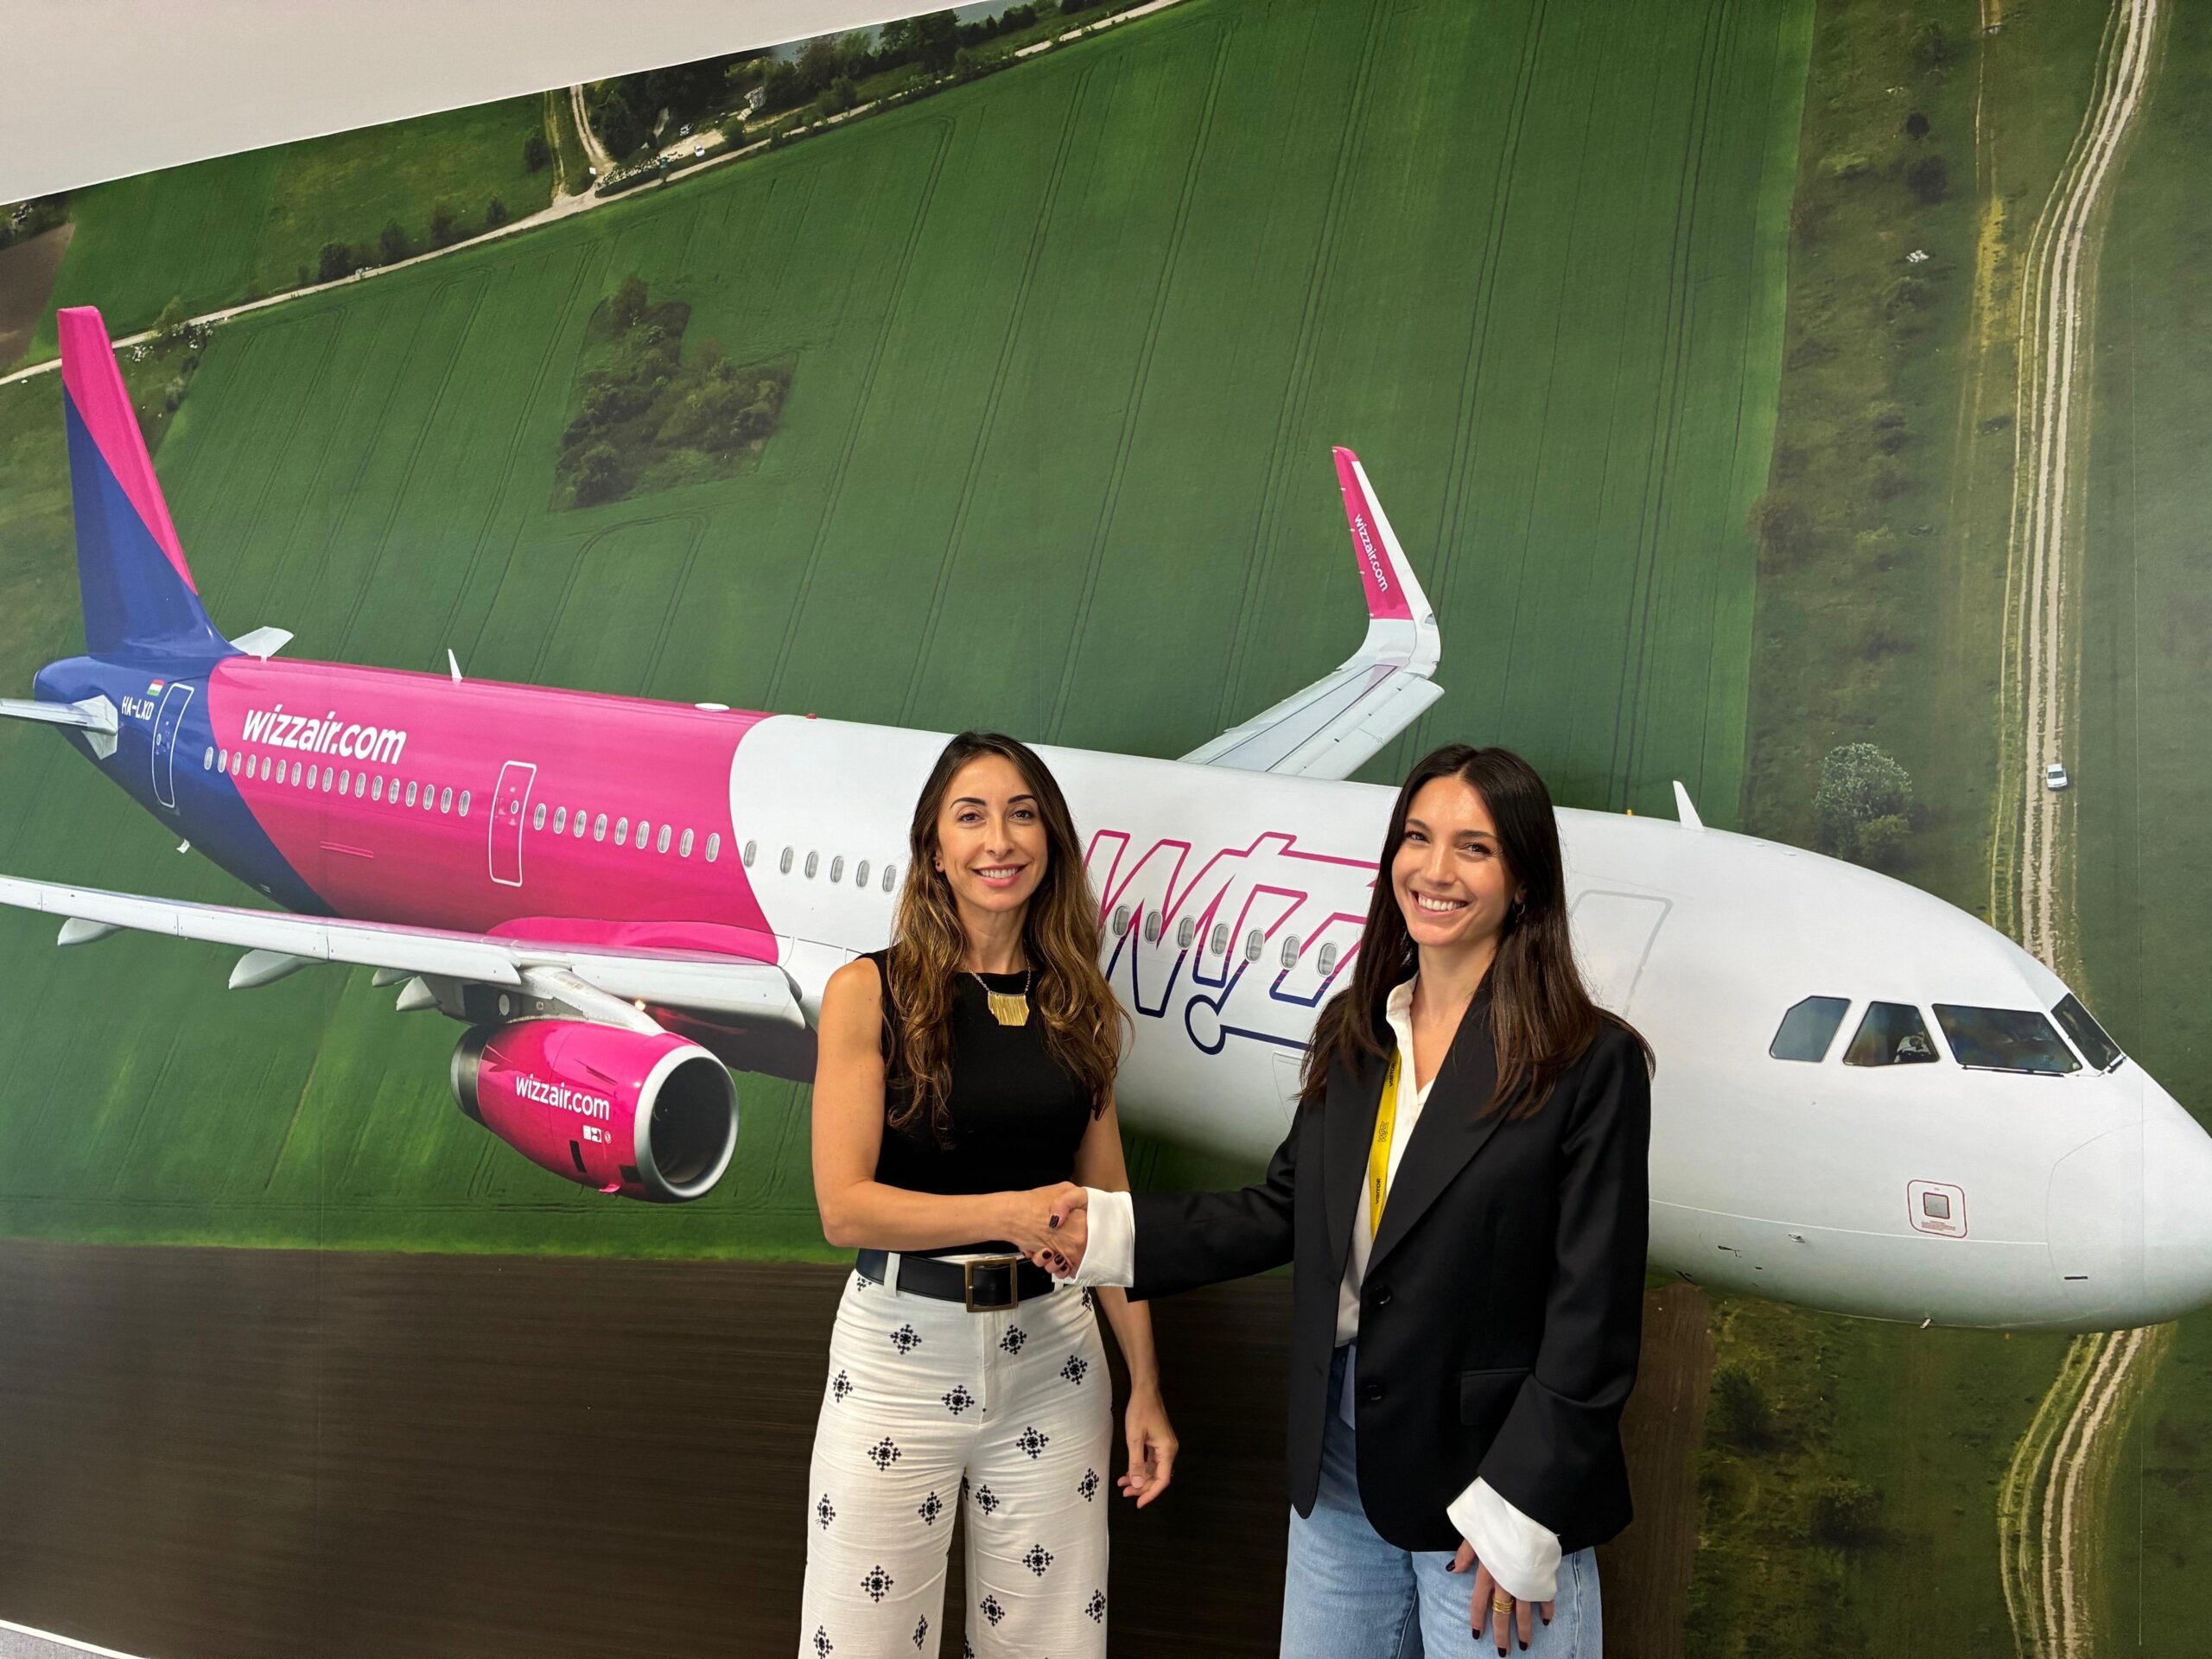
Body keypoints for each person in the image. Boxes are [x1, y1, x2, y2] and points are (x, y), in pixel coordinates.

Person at [1046, 744, 1652, 1657]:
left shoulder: (1589, 1063)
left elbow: (1593, 1318)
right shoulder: (1358, 1032)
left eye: (1474, 848)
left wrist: (1523, 1508)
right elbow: (1286, 1209)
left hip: (1492, 1486)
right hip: (1337, 1471)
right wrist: (1105, 1233)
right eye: (1417, 837)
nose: (1435, 870)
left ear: (1525, 879)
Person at [800, 730, 1176, 1659]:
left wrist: (1146, 1385)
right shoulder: (866, 991)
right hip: (897, 1359)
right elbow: (844, 1207)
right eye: (970, 816)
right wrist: (1004, 1214)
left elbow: (1109, 1207)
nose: (999, 840)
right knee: (862, 1642)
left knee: (1053, 1644)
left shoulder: (1079, 1004)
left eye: (1021, 815)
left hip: (1057, 1359)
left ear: (1049, 841)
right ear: (935, 847)